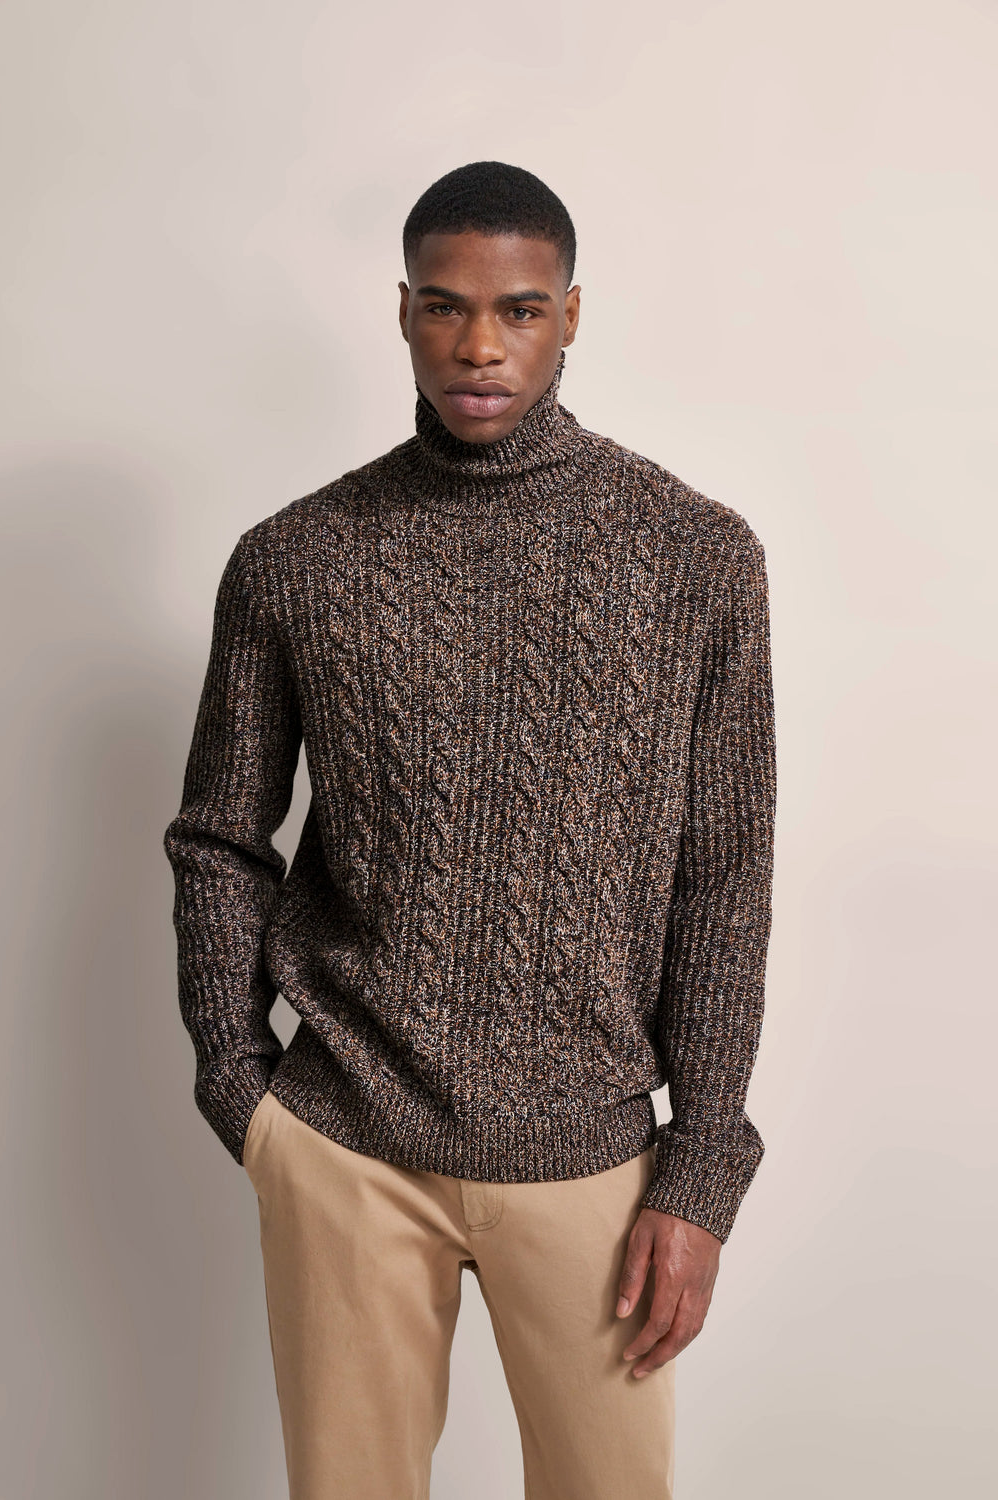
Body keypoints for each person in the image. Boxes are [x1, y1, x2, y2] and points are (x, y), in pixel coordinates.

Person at [163, 159, 777, 1500]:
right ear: (401, 313)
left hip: (595, 1155)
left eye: (518, 309)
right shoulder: (297, 558)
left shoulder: (696, 557)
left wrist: (700, 1170)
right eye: (445, 306)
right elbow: (221, 836)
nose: (479, 344)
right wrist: (238, 1083)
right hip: (345, 1141)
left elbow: (726, 881)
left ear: (571, 316)